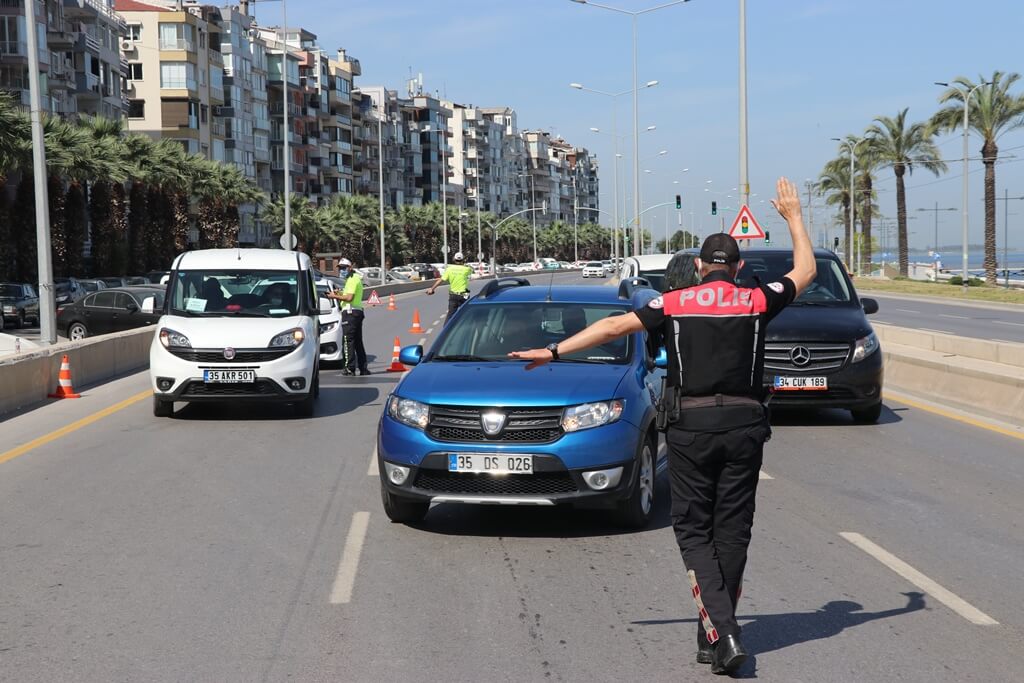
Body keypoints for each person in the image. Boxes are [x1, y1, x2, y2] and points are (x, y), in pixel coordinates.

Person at [509, 178, 816, 675]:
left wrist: (552, 351)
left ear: (698, 268)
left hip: (691, 427)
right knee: (733, 531)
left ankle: (725, 634)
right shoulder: (758, 300)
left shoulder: (673, 303)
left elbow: (612, 327)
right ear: (738, 268)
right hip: (744, 425)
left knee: (694, 530)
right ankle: (712, 636)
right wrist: (794, 217)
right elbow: (805, 270)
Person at [327, 258, 369, 376]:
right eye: (340, 268)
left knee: (347, 340)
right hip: (357, 312)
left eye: (344, 268)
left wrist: (333, 296)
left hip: (350, 313)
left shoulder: (351, 280)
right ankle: (363, 368)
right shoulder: (355, 279)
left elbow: (349, 298)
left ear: (350, 268)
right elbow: (348, 295)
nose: (341, 270)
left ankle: (350, 368)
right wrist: (340, 293)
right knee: (357, 341)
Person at [426, 251, 473, 320]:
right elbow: (471, 271)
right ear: (463, 260)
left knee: (450, 316)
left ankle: (446, 329)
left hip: (453, 294)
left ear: (454, 259)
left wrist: (432, 289)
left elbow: (441, 280)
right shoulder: (467, 269)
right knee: (468, 314)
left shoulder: (449, 269)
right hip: (464, 294)